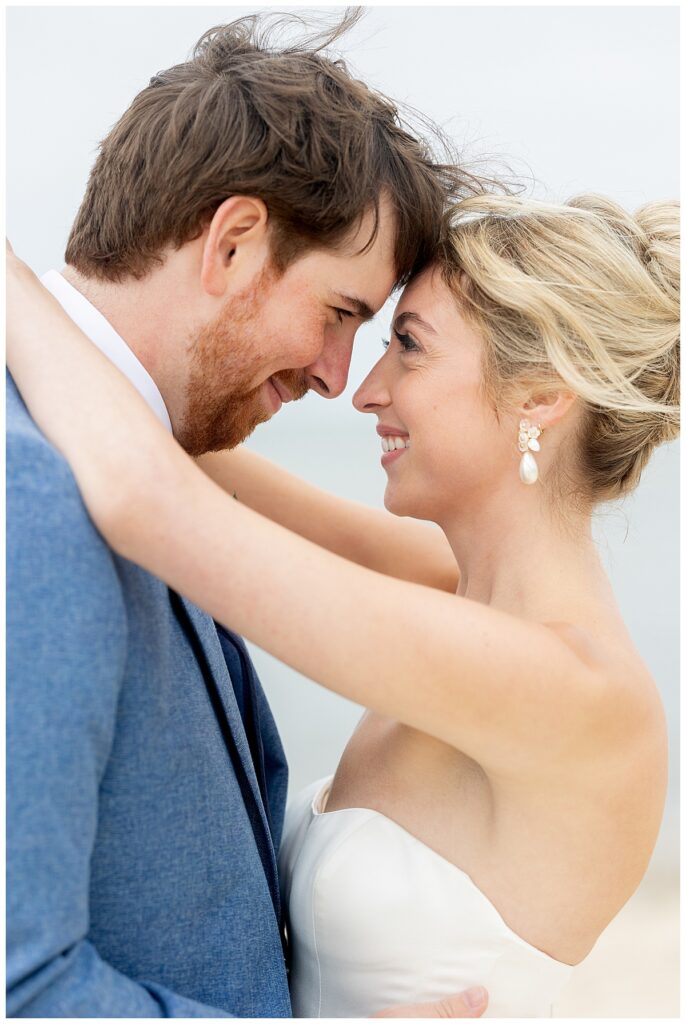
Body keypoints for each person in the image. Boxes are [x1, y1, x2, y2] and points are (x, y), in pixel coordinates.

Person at [7, 190, 678, 1016]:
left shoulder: (576, 693)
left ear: (541, 395)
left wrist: (11, 286)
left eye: (409, 346)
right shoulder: (458, 592)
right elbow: (177, 445)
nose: (363, 391)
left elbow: (150, 503)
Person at [6, 11, 490, 1019]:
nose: (333, 378)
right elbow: (23, 982)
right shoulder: (36, 498)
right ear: (232, 242)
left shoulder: (158, 463)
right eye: (340, 315)